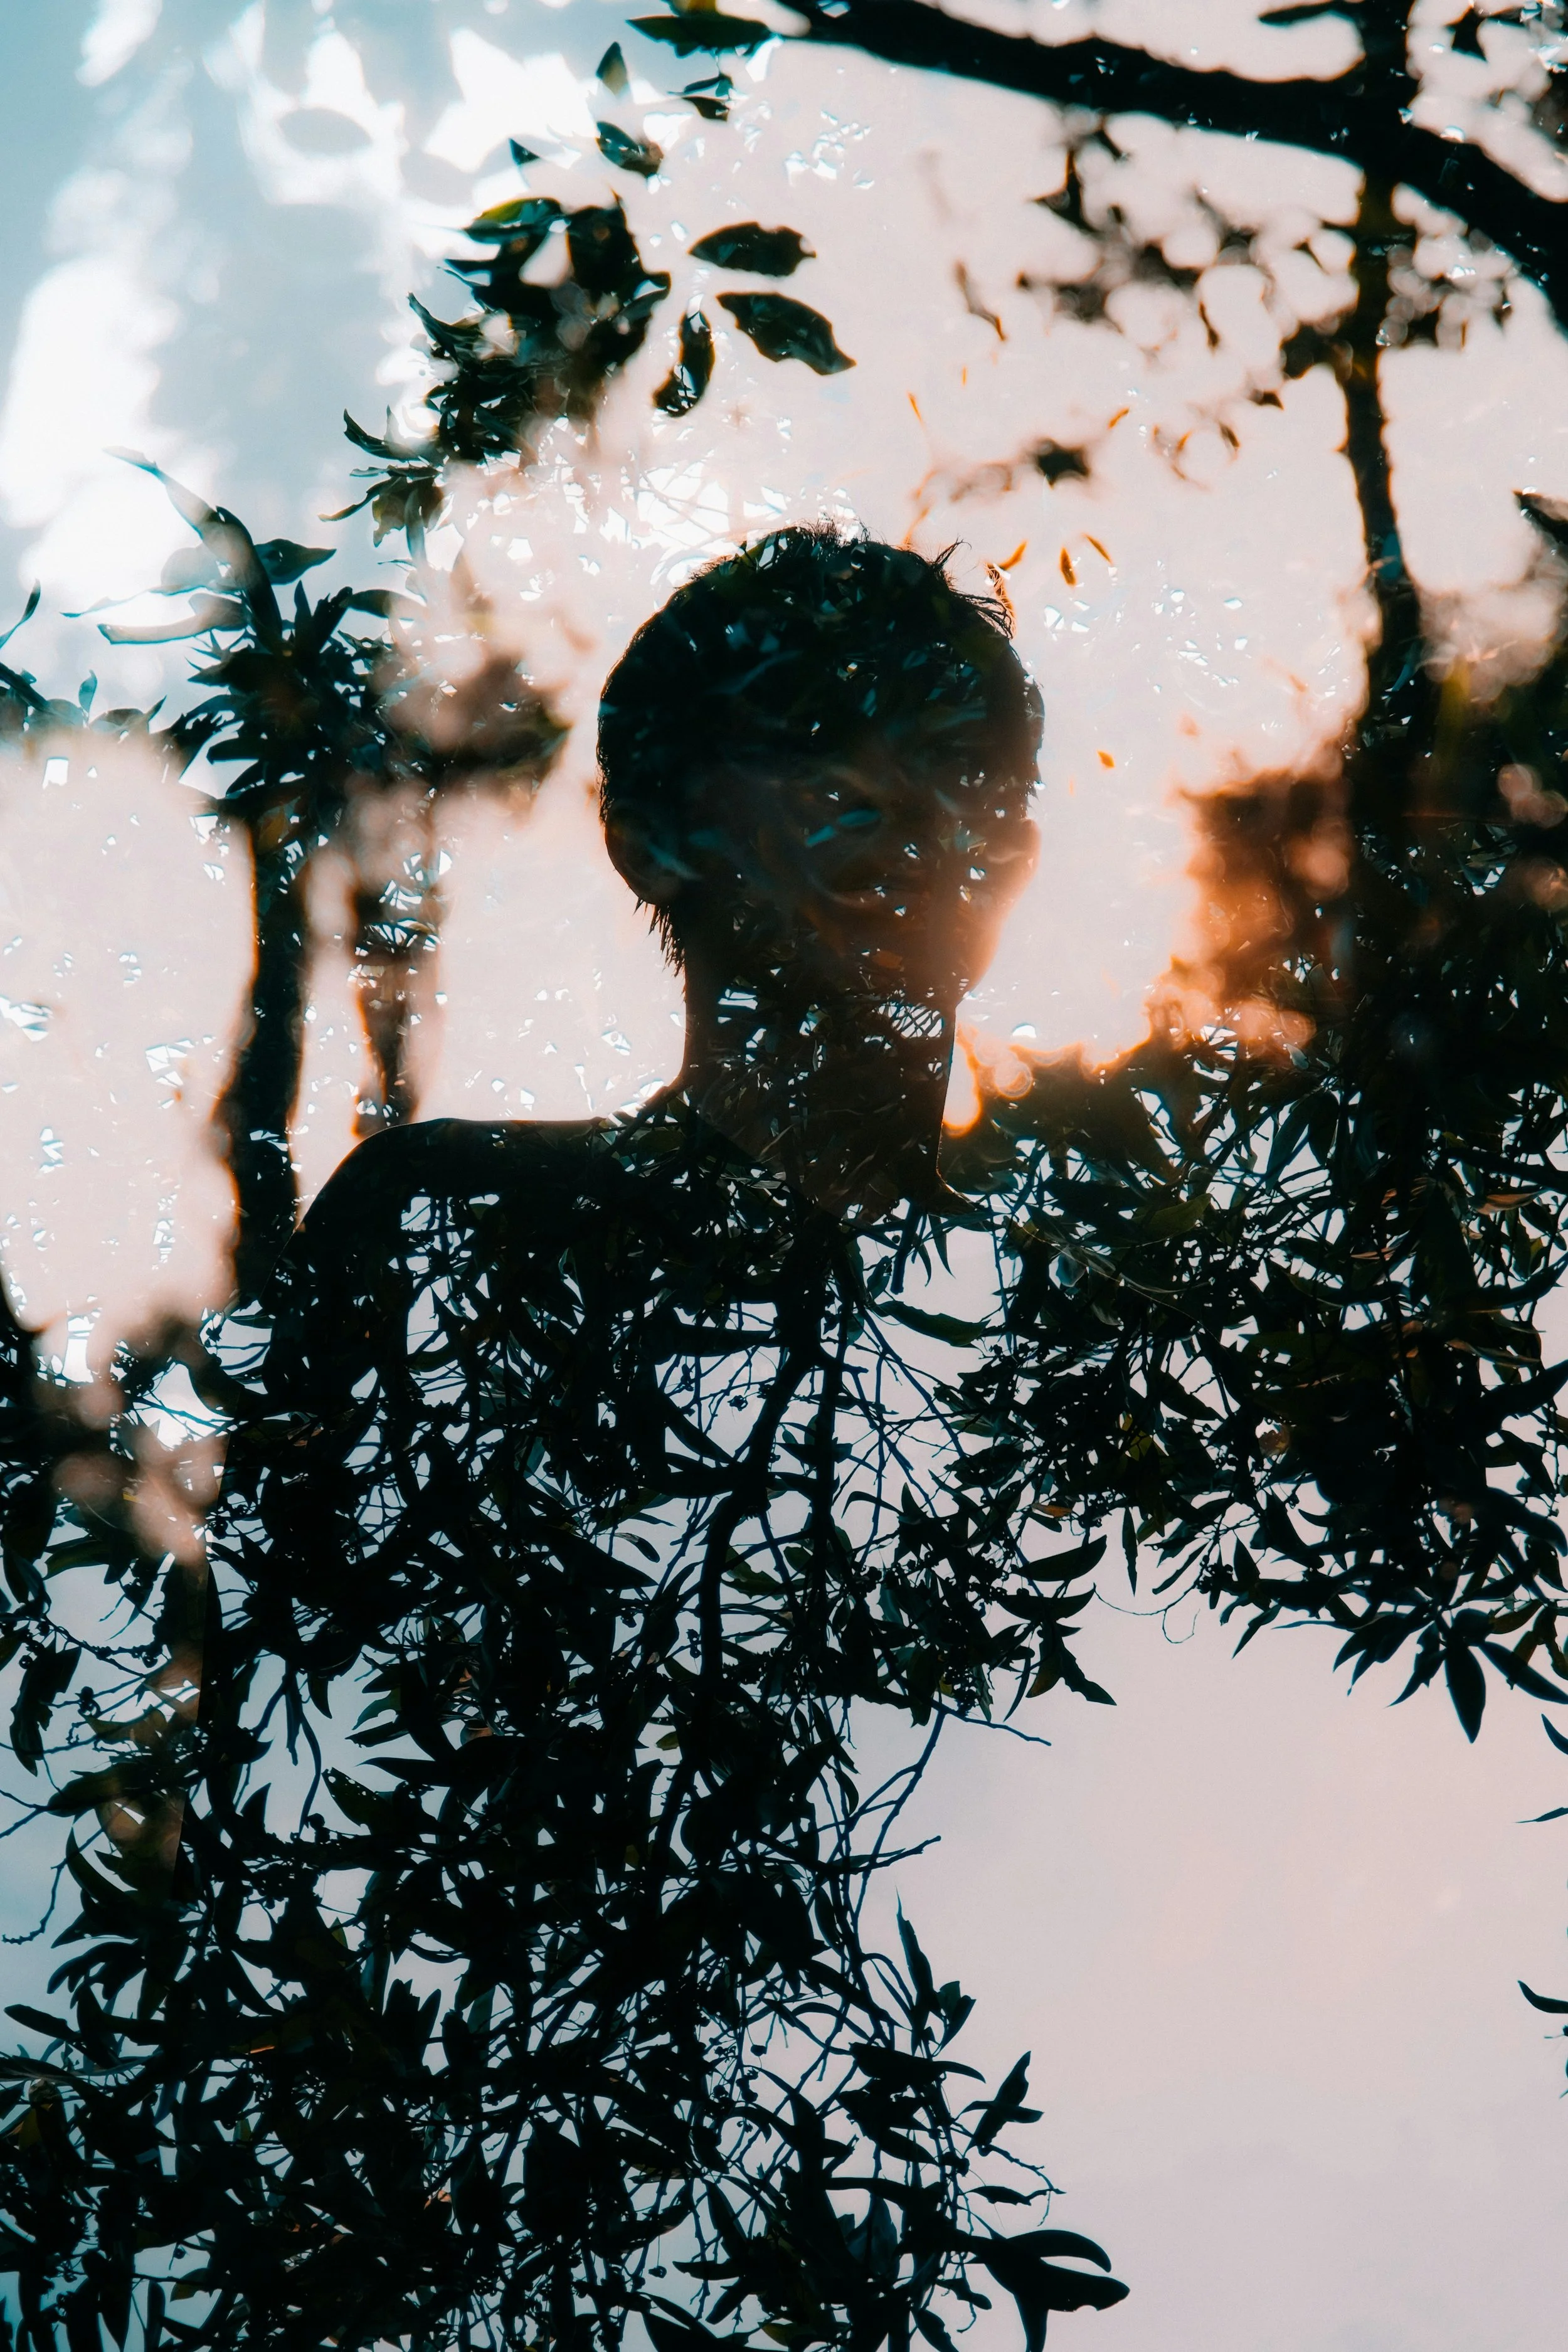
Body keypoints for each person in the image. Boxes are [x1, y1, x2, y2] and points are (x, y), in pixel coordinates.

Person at [53, 529, 1124, 2352]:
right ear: (656, 837)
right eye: (816, 738)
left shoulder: (1099, 1311)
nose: (894, 798)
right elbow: (273, 1777)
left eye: (956, 770)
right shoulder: (440, 1226)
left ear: (1015, 853)